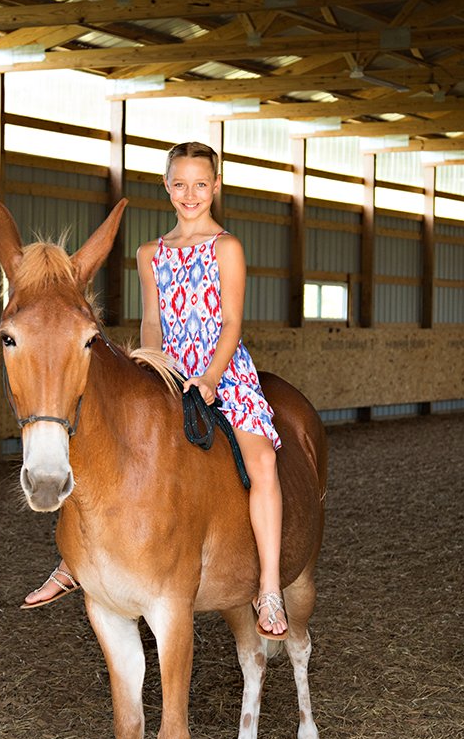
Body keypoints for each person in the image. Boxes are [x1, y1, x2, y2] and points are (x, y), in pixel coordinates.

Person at [22, 141, 286, 638]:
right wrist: (152, 367)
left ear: (216, 187)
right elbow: (151, 321)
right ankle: (74, 561)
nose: (190, 194)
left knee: (263, 461)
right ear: (167, 186)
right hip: (167, 368)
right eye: (180, 184)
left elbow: (232, 322)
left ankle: (269, 587)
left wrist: (211, 377)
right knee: (98, 448)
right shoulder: (151, 254)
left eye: (200, 184)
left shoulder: (226, 248)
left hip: (222, 370)